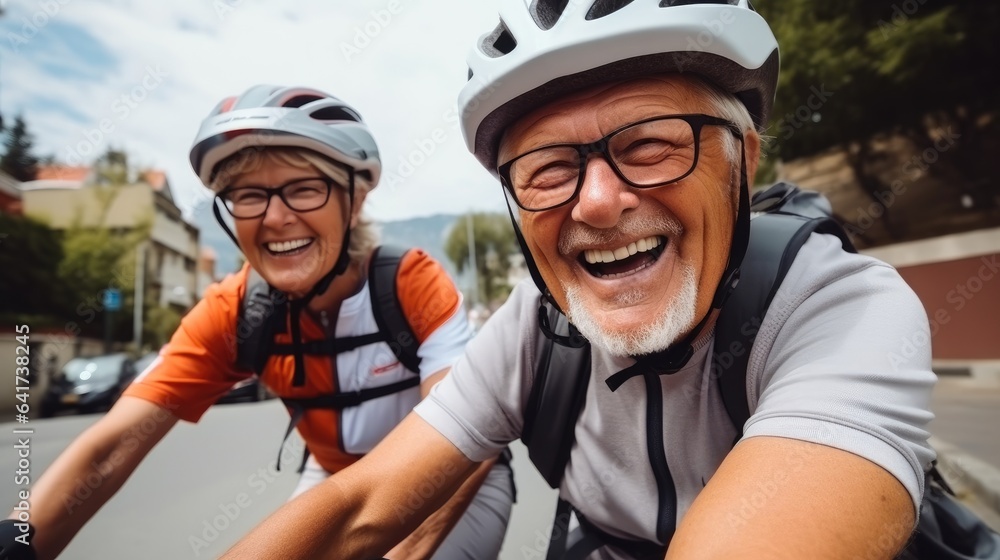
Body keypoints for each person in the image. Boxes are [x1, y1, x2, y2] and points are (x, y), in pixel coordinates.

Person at [220, 2, 937, 559]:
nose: (595, 202)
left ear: (743, 163)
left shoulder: (840, 309)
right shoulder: (534, 323)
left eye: (652, 143)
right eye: (548, 169)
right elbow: (359, 510)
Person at [3, 85, 513, 560]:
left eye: (304, 188)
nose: (274, 218)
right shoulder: (233, 310)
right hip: (334, 475)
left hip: (455, 479)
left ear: (354, 200)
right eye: (248, 195)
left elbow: (469, 435)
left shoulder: (410, 283)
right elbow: (107, 450)